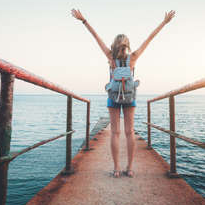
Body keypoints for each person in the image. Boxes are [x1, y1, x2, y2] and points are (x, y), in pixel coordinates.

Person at [71, 9, 175, 178]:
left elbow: (96, 37)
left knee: (115, 133)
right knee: (130, 132)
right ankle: (130, 168)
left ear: (114, 44)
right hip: (129, 98)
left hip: (113, 97)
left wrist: (84, 21)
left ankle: (117, 168)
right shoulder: (133, 57)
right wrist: (164, 23)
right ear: (127, 45)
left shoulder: (110, 57)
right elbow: (150, 38)